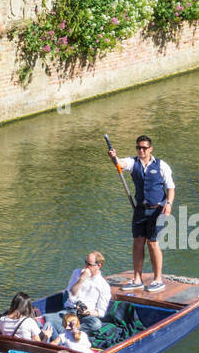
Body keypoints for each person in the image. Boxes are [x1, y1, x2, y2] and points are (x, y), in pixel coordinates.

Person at [108, 135, 175, 293]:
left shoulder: (161, 165)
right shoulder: (133, 162)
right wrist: (114, 157)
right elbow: (120, 164)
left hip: (157, 209)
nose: (141, 150)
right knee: (138, 243)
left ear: (150, 149)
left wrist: (169, 204)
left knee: (152, 243)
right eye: (138, 147)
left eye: (144, 148)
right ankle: (137, 279)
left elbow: (170, 187)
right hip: (140, 209)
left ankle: (158, 279)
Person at [44, 251, 111, 335]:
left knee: (96, 324)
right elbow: (71, 295)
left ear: (99, 266)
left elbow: (101, 312)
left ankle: (67, 332)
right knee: (46, 318)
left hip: (85, 316)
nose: (86, 266)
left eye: (89, 264)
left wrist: (88, 312)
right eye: (85, 262)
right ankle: (69, 331)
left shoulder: (103, 285)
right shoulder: (77, 273)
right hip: (70, 311)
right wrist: (82, 279)